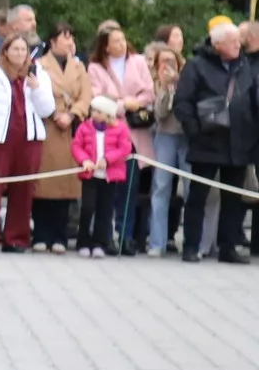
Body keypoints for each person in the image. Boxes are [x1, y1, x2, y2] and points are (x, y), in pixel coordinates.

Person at [173, 19, 252, 264]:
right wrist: (194, 130)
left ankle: (228, 247)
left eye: (239, 41)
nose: (239, 45)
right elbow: (182, 102)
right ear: (217, 45)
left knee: (233, 199)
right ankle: (191, 246)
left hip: (238, 142)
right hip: (207, 141)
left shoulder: (245, 65)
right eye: (232, 42)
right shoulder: (197, 66)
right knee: (198, 196)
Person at [0, 33, 54, 252]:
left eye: (23, 50)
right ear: (5, 51)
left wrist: (36, 87)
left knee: (24, 189)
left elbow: (47, 109)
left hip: (28, 139)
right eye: (15, 49)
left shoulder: (38, 75)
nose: (20, 53)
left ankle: (15, 238)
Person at [88, 24, 154, 253]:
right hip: (109, 133)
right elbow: (97, 98)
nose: (121, 44)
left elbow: (148, 91)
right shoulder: (96, 68)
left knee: (131, 186)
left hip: (135, 133)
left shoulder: (138, 62)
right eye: (115, 41)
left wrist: (126, 103)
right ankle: (105, 236)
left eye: (123, 39)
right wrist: (125, 104)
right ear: (105, 46)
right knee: (108, 188)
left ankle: (125, 235)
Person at [31, 24, 90, 251]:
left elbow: (86, 95)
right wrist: (55, 114)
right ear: (53, 41)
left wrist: (73, 113)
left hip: (71, 128)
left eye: (71, 36)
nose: (69, 41)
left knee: (65, 185)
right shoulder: (40, 64)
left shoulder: (78, 67)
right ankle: (41, 235)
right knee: (44, 183)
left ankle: (59, 236)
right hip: (48, 124)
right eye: (65, 37)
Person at [72, 96, 133, 257]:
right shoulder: (85, 127)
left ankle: (100, 243)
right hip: (90, 175)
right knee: (87, 207)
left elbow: (125, 148)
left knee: (104, 210)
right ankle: (83, 241)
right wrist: (84, 159)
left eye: (99, 111)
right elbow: (77, 145)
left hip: (109, 176)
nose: (94, 113)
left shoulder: (121, 129)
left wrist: (108, 159)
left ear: (108, 114)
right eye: (94, 110)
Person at [145, 41, 188, 257]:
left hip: (186, 137)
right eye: (163, 61)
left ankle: (191, 241)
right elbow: (160, 114)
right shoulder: (154, 83)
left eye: (172, 61)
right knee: (161, 187)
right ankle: (156, 242)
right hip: (164, 136)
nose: (168, 65)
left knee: (190, 188)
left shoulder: (188, 79)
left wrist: (178, 84)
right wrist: (164, 88)